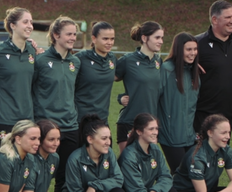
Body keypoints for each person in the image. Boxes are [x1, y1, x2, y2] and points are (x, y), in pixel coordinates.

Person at [32, 16, 81, 192]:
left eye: (74, 34)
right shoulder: (41, 61)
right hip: (45, 126)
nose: (72, 38)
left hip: (70, 127)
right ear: (56, 35)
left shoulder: (75, 63)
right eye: (68, 34)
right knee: (40, 175)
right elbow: (25, 86)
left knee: (65, 177)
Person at [0, 7, 38, 149]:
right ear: (13, 25)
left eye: (31, 22)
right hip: (3, 120)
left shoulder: (33, 51)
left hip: (27, 121)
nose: (30, 26)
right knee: (2, 164)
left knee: (24, 166)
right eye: (25, 22)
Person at [194, 0, 232, 133]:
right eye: (228, 17)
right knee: (200, 153)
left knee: (222, 153)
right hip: (202, 116)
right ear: (215, 20)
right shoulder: (197, 43)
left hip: (228, 116)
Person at [115, 21, 164, 152]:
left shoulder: (158, 62)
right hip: (130, 121)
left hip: (151, 124)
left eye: (162, 38)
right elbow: (106, 80)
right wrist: (120, 98)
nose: (161, 41)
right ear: (144, 38)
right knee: (128, 167)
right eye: (157, 37)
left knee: (149, 168)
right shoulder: (128, 60)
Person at [158, 32, 200, 171]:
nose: (192, 53)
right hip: (171, 136)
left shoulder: (194, 73)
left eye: (195, 49)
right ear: (178, 50)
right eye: (188, 49)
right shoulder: (167, 70)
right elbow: (151, 98)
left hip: (190, 136)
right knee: (180, 175)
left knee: (192, 175)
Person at [74, 21, 118, 126]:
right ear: (94, 39)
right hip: (81, 120)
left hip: (102, 120)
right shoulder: (80, 59)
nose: (110, 42)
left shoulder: (112, 59)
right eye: (105, 39)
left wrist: (123, 97)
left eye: (112, 39)